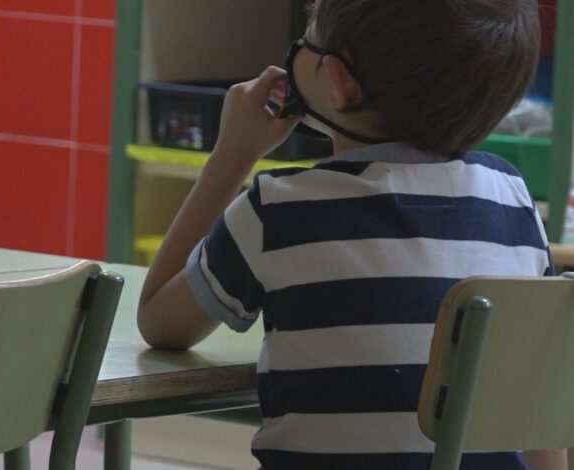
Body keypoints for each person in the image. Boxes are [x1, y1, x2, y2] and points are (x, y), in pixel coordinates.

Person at [137, 1, 563, 468]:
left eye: (310, 34)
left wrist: (232, 154)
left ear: (339, 83)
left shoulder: (280, 209)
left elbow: (160, 321)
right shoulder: (511, 198)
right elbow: (540, 401)